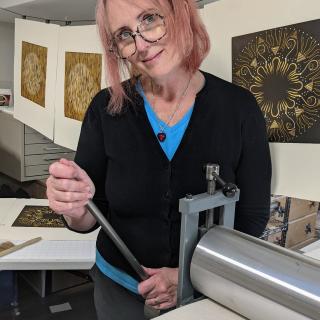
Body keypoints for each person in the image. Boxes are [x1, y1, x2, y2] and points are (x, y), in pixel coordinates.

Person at [46, 0, 272, 319]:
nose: (140, 44)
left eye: (149, 19)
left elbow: (252, 218)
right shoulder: (105, 109)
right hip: (118, 289)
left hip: (206, 293)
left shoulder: (240, 109)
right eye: (124, 34)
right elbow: (91, 217)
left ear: (180, 14)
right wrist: (73, 206)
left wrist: (188, 274)